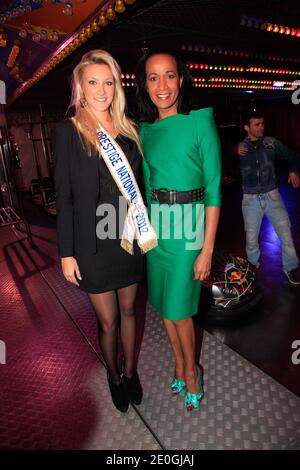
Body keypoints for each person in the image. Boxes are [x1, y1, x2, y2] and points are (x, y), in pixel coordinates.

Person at [54, 49, 148, 413]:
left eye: (108, 82)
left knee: (129, 312)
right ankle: (113, 374)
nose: (102, 90)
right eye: (93, 82)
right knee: (107, 320)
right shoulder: (69, 131)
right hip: (91, 245)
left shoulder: (129, 131)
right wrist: (66, 252)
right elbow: (64, 197)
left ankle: (131, 370)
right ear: (80, 86)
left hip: (126, 237)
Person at [135, 49, 222, 411]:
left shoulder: (200, 122)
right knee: (163, 309)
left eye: (169, 75)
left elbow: (214, 188)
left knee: (179, 311)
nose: (162, 85)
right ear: (145, 84)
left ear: (181, 79)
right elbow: (147, 185)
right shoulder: (145, 130)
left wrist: (207, 249)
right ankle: (179, 363)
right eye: (153, 77)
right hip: (160, 230)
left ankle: (192, 374)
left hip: (190, 229)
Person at [237, 111, 300, 285]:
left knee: (285, 233)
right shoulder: (241, 147)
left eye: (262, 123)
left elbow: (294, 155)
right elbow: (215, 153)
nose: (261, 127)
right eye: (257, 124)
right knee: (251, 238)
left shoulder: (271, 143)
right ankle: (252, 269)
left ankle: (291, 267)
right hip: (250, 199)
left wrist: (294, 170)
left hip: (272, 196)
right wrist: (234, 149)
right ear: (247, 127)